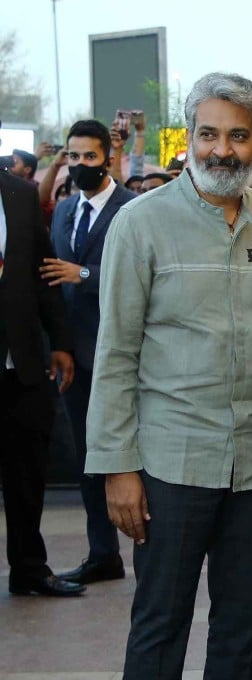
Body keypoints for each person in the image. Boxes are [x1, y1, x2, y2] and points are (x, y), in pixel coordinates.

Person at [85, 72, 252, 679]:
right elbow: (116, 353)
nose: (221, 150)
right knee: (160, 621)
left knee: (239, 626)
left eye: (237, 136)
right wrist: (118, 468)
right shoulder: (141, 224)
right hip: (169, 464)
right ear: (189, 138)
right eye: (208, 134)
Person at [44, 119, 135, 586]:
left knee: (133, 459)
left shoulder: (134, 209)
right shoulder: (63, 211)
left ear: (109, 158)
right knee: (87, 460)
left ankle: (153, 550)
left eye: (89, 157)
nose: (80, 166)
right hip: (75, 359)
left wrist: (82, 274)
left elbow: (139, 278)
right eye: (72, 157)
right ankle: (103, 552)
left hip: (124, 357)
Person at [0, 127, 81, 598]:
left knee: (27, 473)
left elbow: (43, 272)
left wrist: (60, 341)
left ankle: (30, 568)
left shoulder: (21, 193)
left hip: (23, 362)